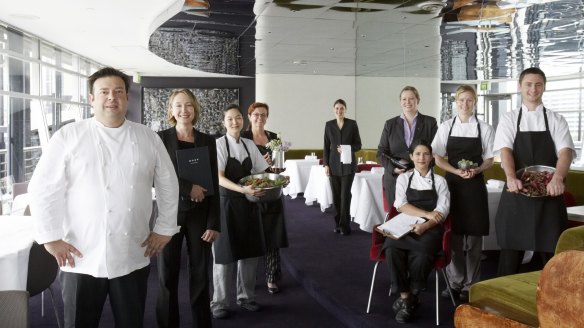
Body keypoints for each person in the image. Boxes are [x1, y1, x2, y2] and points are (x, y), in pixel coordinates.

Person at [28, 67, 179, 328]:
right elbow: (43, 188)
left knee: (131, 323)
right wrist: (50, 238)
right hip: (80, 255)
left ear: (127, 98)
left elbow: (168, 184)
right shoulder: (69, 136)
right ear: (91, 99)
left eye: (118, 91)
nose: (112, 97)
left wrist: (165, 228)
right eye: (104, 92)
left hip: (132, 251)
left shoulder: (148, 137)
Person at [494, 67, 575, 276]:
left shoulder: (556, 119)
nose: (533, 89)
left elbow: (565, 152)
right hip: (517, 194)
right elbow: (505, 151)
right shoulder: (509, 118)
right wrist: (511, 177)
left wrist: (558, 178)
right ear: (520, 86)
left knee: (553, 259)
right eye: (528, 84)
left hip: (549, 193)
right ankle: (502, 305)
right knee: (510, 256)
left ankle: (555, 305)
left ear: (544, 88)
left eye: (538, 84)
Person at [156, 89, 220, 328]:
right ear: (171, 110)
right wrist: (188, 188)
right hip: (169, 216)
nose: (184, 110)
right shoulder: (160, 139)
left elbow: (214, 182)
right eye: (178, 106)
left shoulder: (208, 140)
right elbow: (156, 176)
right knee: (167, 277)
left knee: (200, 275)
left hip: (201, 217)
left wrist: (214, 223)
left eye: (189, 105)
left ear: (195, 109)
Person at [431, 85, 495, 301]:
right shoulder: (446, 127)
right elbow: (438, 157)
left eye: (469, 100)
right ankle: (456, 281)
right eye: (461, 100)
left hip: (475, 186)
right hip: (453, 186)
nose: (465, 104)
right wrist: (455, 171)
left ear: (475, 102)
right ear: (455, 103)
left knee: (475, 237)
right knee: (455, 234)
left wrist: (477, 169)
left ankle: (471, 283)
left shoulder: (484, 128)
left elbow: (489, 159)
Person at [211, 104, 269, 319]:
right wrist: (242, 189)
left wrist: (274, 179)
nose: (235, 122)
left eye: (237, 118)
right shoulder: (218, 144)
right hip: (226, 205)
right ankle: (219, 302)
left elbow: (261, 172)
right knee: (224, 256)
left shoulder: (248, 144)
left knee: (250, 253)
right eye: (230, 119)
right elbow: (219, 177)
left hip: (248, 205)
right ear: (223, 123)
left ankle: (246, 297)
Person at [384, 139, 450, 324]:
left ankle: (412, 297)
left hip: (430, 230)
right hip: (405, 225)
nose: (422, 157)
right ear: (411, 157)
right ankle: (407, 298)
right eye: (418, 154)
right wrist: (426, 213)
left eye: (426, 154)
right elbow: (401, 205)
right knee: (391, 247)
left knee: (421, 256)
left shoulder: (440, 181)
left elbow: (442, 211)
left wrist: (425, 225)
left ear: (431, 158)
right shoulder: (404, 178)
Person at [241, 102, 289, 295]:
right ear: (249, 116)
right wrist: (260, 164)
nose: (260, 118)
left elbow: (278, 167)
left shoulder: (274, 138)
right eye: (256, 115)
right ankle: (247, 280)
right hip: (251, 193)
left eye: (263, 115)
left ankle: (271, 277)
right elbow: (240, 167)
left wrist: (276, 169)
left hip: (272, 193)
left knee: (272, 236)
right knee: (250, 237)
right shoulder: (242, 138)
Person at [377, 86, 438, 210]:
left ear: (417, 100)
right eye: (404, 99)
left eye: (411, 98)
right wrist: (393, 169)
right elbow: (381, 153)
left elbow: (436, 154)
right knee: (395, 220)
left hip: (422, 181)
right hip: (395, 180)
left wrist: (418, 169)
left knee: (420, 220)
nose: (407, 102)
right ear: (400, 101)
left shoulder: (430, 123)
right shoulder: (390, 124)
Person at [323, 99, 362, 235]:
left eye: (342, 108)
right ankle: (338, 224)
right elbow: (326, 146)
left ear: (345, 110)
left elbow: (358, 145)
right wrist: (325, 164)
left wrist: (347, 148)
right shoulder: (329, 125)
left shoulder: (352, 124)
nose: (339, 111)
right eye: (337, 108)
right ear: (334, 110)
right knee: (336, 196)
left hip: (348, 166)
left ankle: (345, 226)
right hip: (333, 166)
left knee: (345, 195)